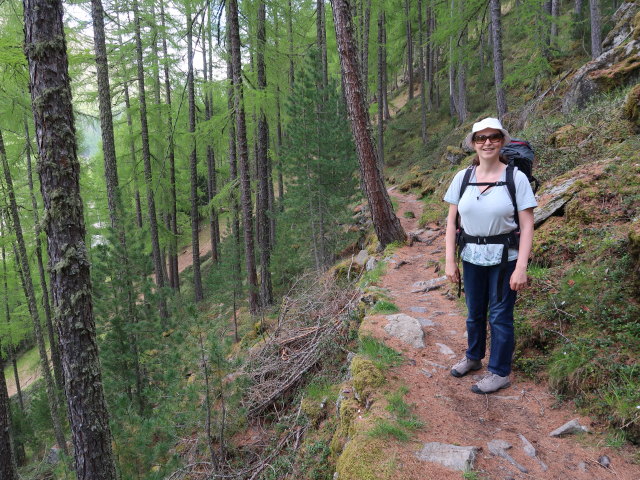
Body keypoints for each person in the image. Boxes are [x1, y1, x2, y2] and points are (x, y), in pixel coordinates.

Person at [443, 117, 537, 394]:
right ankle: (473, 358)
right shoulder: (462, 178)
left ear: (502, 141)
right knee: (473, 313)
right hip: (471, 255)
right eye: (481, 138)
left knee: (499, 316)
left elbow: (528, 223)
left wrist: (522, 267)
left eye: (493, 137)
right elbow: (451, 222)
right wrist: (450, 260)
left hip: (505, 258)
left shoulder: (515, 178)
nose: (487, 143)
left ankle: (499, 372)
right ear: (473, 143)